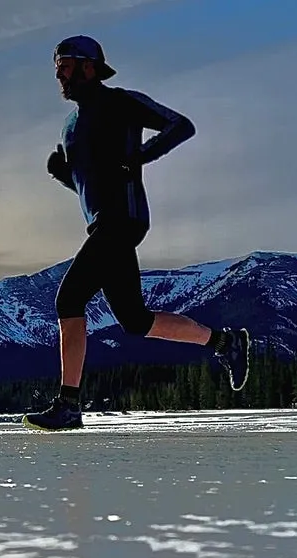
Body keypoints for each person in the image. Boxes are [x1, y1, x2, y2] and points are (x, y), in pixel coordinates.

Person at [23, 35, 251, 431]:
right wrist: (64, 177)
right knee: (135, 320)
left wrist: (140, 155)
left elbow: (181, 126)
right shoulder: (70, 126)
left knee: (70, 297)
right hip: (102, 223)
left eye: (66, 65)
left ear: (89, 66)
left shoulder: (121, 102)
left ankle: (69, 405)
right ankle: (226, 343)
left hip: (122, 219)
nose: (59, 74)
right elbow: (90, 182)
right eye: (56, 67)